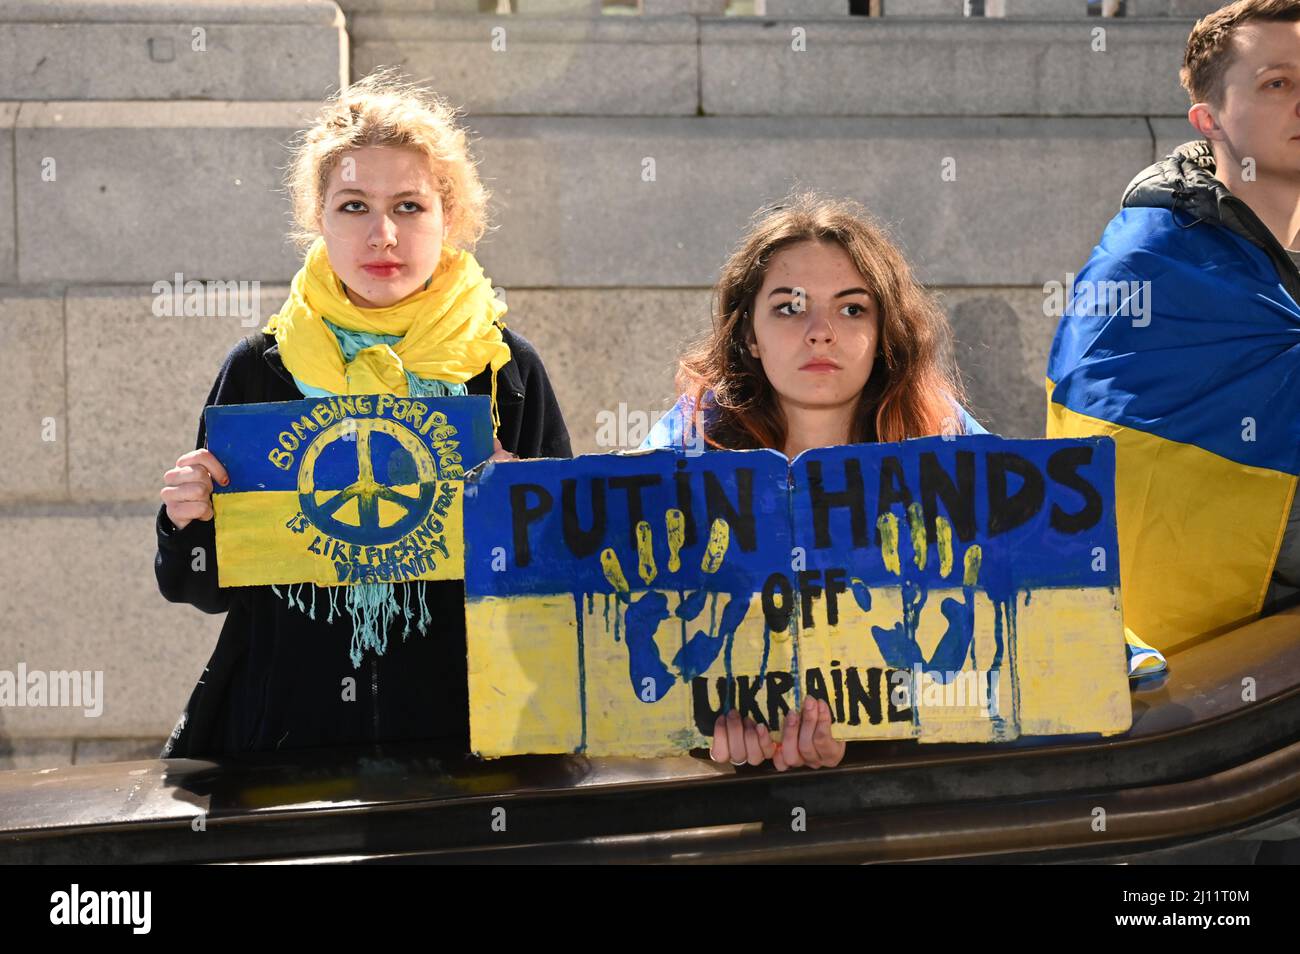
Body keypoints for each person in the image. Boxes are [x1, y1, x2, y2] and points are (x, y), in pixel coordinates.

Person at [155, 71, 572, 759]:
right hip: (286, 743)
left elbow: (559, 578)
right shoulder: (262, 368)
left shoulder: (505, 369)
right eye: (353, 206)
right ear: (317, 219)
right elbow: (198, 587)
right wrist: (186, 518)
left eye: (409, 206)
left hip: (474, 741)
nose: (383, 234)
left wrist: (526, 506)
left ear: (450, 218)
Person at [640, 191, 986, 771]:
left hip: (909, 801)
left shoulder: (948, 440)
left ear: (884, 333)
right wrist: (707, 739)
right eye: (789, 306)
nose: (821, 331)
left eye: (853, 309)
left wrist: (870, 738)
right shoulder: (682, 447)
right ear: (749, 333)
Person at [1046, 0, 1300, 677]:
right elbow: (1113, 465)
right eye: (1278, 83)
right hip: (1201, 683)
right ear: (1208, 118)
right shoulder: (1146, 264)